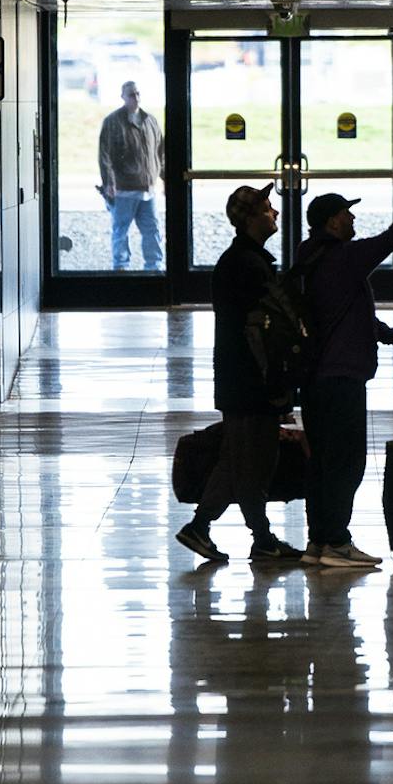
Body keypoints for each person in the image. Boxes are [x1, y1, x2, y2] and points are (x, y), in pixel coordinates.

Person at [293, 181, 393, 569]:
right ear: (332, 222)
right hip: (342, 377)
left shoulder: (309, 256)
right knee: (346, 463)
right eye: (347, 213)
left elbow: (349, 313)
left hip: (314, 378)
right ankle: (336, 541)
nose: (353, 218)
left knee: (320, 463)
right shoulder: (344, 258)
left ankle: (318, 542)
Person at [175, 183, 307, 565]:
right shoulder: (247, 267)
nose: (275, 213)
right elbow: (263, 332)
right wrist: (277, 386)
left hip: (240, 381)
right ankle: (254, 537)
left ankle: (208, 528)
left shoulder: (243, 261)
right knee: (253, 463)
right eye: (268, 209)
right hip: (251, 381)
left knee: (238, 460)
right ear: (249, 218)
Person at [97, 80, 164, 271]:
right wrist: (109, 182)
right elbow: (105, 155)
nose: (136, 98)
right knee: (121, 230)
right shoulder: (113, 122)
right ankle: (121, 267)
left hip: (147, 189)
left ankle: (154, 267)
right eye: (131, 95)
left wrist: (165, 179)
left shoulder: (150, 121)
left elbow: (160, 152)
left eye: (137, 94)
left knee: (152, 230)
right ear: (123, 97)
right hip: (124, 189)